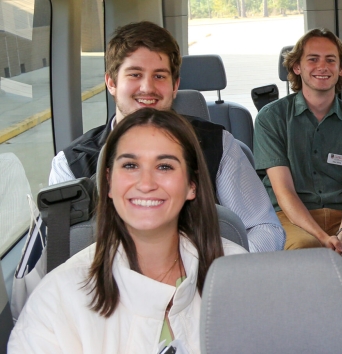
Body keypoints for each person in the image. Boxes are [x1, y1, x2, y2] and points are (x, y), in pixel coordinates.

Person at [9, 108, 248, 354]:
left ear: (191, 185)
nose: (146, 184)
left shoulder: (240, 277)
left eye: (165, 166)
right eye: (130, 165)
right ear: (109, 182)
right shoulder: (56, 298)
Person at [48, 21, 285, 253]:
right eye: (135, 74)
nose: (147, 87)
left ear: (175, 85)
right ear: (111, 82)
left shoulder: (217, 146)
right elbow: (61, 248)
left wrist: (220, 275)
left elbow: (264, 228)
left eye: (159, 76)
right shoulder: (71, 164)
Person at [254, 28, 342, 253]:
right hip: (290, 216)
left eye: (330, 60)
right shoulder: (271, 117)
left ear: (341, 69)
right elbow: (283, 190)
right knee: (305, 247)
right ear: (297, 67)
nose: (322, 67)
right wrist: (323, 237)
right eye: (313, 59)